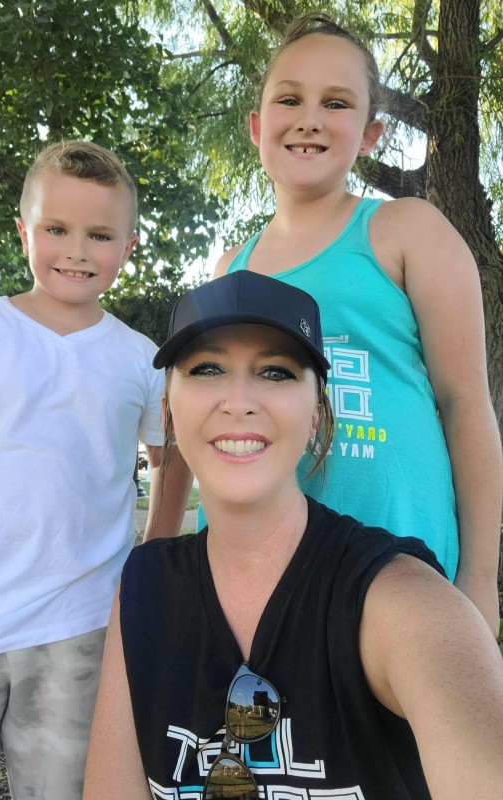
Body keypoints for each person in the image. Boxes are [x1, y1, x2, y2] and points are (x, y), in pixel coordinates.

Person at [83, 271, 503, 800]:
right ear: (169, 411)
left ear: (316, 417)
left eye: (275, 372)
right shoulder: (145, 585)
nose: (238, 400)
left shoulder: (398, 598)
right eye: (207, 369)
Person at [0, 140, 191, 800]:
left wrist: (154, 558)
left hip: (80, 626)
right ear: (23, 231)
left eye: (100, 235)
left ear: (128, 247)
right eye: (56, 229)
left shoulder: (141, 359)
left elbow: (170, 458)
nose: (77, 251)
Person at [206, 12, 502, 635]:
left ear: (370, 135)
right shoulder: (230, 269)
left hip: (402, 575)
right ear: (257, 126)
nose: (309, 118)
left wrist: (479, 579)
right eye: (290, 99)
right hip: (261, 585)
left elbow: (466, 404)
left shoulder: (407, 230)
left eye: (336, 103)